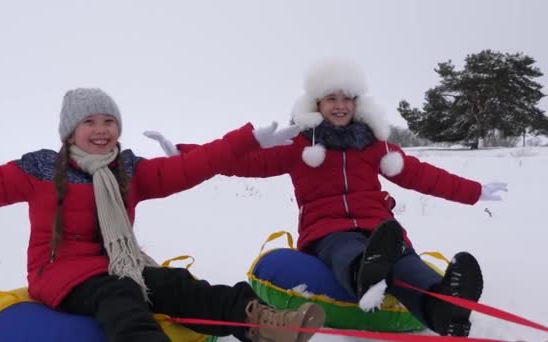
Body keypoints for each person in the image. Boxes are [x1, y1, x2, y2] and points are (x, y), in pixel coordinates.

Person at [145, 58, 508, 337]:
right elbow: (244, 161)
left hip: (381, 228)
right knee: (346, 251)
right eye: (330, 99)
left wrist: (474, 192)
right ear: (316, 103)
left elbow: (421, 175)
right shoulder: (299, 146)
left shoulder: (374, 145)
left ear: (356, 103)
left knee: (406, 262)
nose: (339, 106)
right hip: (327, 232)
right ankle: (364, 279)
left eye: (346, 99)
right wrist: (184, 153)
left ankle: (444, 309)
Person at [0, 88, 326, 342]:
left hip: (119, 265)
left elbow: (189, 168)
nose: (100, 129)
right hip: (59, 273)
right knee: (121, 293)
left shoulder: (128, 170)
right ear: (70, 131)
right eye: (89, 121)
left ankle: (264, 322)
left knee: (176, 284)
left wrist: (245, 142)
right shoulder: (39, 170)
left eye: (108, 121)